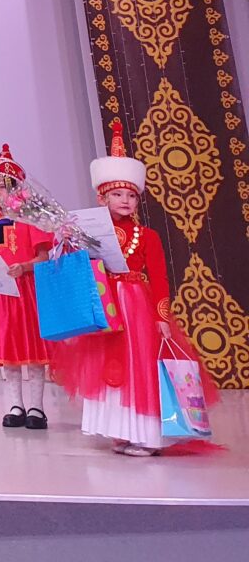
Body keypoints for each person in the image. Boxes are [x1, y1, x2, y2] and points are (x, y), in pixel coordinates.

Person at [49, 120, 216, 456]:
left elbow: (160, 277)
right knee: (108, 365)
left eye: (130, 195)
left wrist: (161, 316)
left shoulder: (148, 236)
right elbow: (74, 267)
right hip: (104, 302)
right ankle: (120, 431)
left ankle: (146, 436)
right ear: (102, 197)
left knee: (139, 365)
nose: (125, 200)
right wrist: (64, 240)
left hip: (136, 305)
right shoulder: (88, 232)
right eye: (117, 194)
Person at [0, 144, 51, 430]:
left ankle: (37, 407)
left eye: (1, 187)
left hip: (27, 291)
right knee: (9, 353)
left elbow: (43, 257)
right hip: (0, 293)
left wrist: (24, 267)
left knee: (33, 351)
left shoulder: (30, 220)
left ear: (15, 188)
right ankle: (15, 405)